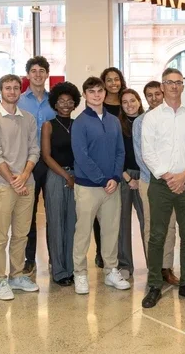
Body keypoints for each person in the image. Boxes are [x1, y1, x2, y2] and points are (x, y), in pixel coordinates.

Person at [140, 68, 185, 308]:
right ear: (162, 86)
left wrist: (184, 175)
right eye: (169, 82)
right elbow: (147, 152)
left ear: (183, 86)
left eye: (178, 82)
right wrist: (170, 177)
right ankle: (154, 284)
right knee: (157, 236)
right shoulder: (152, 117)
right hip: (161, 184)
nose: (174, 86)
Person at [0, 74, 41, 300]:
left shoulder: (28, 118)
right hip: (3, 186)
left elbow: (34, 150)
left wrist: (24, 176)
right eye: (8, 88)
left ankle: (17, 275)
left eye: (16, 88)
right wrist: (13, 181)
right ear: (1, 90)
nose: (12, 91)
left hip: (26, 184)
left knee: (21, 234)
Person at [71, 76, 130, 295]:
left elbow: (120, 151)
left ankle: (111, 270)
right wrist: (102, 179)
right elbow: (81, 156)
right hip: (88, 187)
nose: (96, 95)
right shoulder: (80, 122)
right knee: (83, 232)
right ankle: (80, 273)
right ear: (85, 95)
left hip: (112, 186)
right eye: (92, 91)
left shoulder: (113, 121)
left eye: (100, 91)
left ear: (105, 93)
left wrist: (114, 177)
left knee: (111, 231)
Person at [134, 81, 180, 286]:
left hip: (172, 181)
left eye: (157, 94)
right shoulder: (140, 122)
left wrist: (171, 177)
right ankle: (154, 268)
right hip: (149, 180)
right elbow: (141, 154)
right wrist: (160, 175)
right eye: (149, 95)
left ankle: (166, 267)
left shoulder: (173, 118)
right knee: (151, 226)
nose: (154, 98)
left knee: (169, 225)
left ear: (163, 94)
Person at [17, 56, 57, 277]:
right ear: (28, 75)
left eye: (42, 70)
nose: (38, 74)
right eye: (34, 71)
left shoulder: (55, 101)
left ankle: (55, 258)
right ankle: (29, 259)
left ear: (47, 74)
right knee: (28, 213)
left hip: (52, 163)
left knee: (53, 211)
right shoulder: (19, 101)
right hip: (28, 163)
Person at [41, 81, 82, 287]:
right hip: (56, 176)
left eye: (70, 101)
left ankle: (70, 268)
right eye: (61, 101)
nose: (66, 104)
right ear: (55, 104)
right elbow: (46, 156)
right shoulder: (48, 125)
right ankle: (58, 271)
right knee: (56, 224)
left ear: (75, 104)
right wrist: (67, 177)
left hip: (77, 177)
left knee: (72, 224)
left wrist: (76, 176)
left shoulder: (78, 125)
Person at [116, 88, 145, 280]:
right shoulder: (117, 125)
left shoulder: (148, 121)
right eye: (125, 102)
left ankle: (155, 265)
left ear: (139, 101)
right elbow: (113, 154)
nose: (129, 105)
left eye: (132, 100)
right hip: (124, 175)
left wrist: (142, 178)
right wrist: (127, 178)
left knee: (148, 222)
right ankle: (125, 264)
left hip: (146, 176)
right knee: (122, 222)